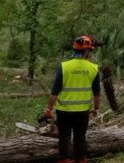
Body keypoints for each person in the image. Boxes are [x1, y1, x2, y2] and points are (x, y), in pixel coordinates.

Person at [44, 35, 101, 163]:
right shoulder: (93, 68)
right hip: (82, 111)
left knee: (64, 138)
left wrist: (48, 109)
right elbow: (97, 93)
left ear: (75, 49)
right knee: (80, 139)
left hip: (64, 111)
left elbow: (55, 91)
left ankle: (64, 160)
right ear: (86, 51)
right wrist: (96, 109)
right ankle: (80, 160)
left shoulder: (64, 67)